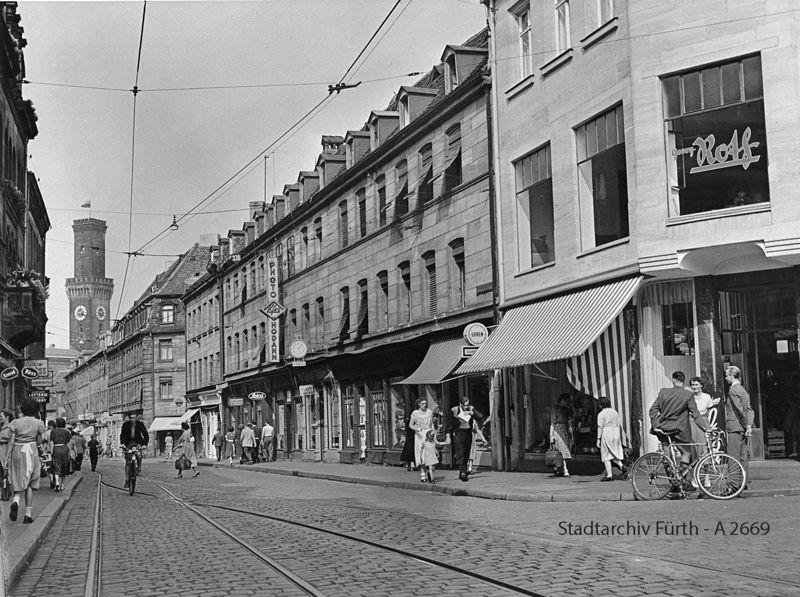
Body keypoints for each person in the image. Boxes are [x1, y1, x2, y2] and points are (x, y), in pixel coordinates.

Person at [649, 371, 709, 490]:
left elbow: (653, 410)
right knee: (686, 453)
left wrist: (655, 425)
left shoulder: (663, 392)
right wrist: (706, 428)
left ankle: (674, 483)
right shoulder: (687, 395)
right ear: (683, 381)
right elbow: (696, 414)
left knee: (667, 455)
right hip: (679, 429)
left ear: (673, 380)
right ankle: (681, 480)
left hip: (663, 428)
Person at [7, 399, 46, 523]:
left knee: (18, 478)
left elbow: (11, 441)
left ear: (22, 409)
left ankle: (16, 501)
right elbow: (39, 441)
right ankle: (28, 515)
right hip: (31, 451)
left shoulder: (15, 422)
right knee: (30, 482)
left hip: (17, 451)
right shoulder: (38, 423)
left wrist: (7, 457)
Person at [724, 365, 754, 482]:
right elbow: (749, 409)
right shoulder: (742, 390)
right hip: (743, 427)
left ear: (732, 375)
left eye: (727, 376)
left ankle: (734, 484)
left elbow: (739, 410)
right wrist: (749, 425)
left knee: (733, 456)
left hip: (735, 427)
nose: (726, 378)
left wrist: (746, 425)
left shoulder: (733, 391)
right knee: (743, 456)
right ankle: (743, 481)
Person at [449, 396, 483, 482]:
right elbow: (449, 423)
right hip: (458, 433)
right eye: (464, 405)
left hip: (468, 433)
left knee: (467, 452)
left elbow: (480, 416)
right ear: (460, 404)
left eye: (467, 405)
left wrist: (472, 413)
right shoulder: (454, 410)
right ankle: (463, 472)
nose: (465, 407)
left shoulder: (471, 408)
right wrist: (447, 435)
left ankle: (462, 471)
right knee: (460, 452)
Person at [596, 396, 628, 481]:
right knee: (613, 453)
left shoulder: (601, 414)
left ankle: (609, 475)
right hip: (616, 433)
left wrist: (598, 439)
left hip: (607, 433)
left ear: (600, 405)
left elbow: (600, 427)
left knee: (605, 455)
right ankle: (621, 466)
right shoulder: (615, 412)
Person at [409, 398, 438, 483]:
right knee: (421, 455)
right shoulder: (415, 413)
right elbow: (410, 424)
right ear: (418, 404)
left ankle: (430, 472)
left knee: (429, 454)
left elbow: (431, 423)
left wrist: (433, 432)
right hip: (420, 435)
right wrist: (416, 429)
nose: (424, 405)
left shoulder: (429, 412)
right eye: (422, 403)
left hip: (428, 435)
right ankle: (423, 473)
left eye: (425, 403)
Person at [689, 376, 718, 460]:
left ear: (701, 385)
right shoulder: (689, 397)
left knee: (705, 444)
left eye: (696, 384)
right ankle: (695, 466)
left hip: (704, 420)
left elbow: (708, 410)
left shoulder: (706, 396)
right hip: (692, 421)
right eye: (692, 385)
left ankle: (706, 466)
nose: (694, 387)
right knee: (694, 444)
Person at [119, 413, 150, 488]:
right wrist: (122, 444)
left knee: (139, 455)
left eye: (134, 418)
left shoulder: (140, 424)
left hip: (137, 442)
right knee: (128, 461)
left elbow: (145, 434)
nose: (132, 419)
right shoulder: (125, 425)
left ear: (136, 418)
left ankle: (139, 469)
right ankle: (127, 480)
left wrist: (144, 444)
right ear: (129, 418)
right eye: (131, 418)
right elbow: (122, 435)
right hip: (128, 443)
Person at [549, 394, 574, 477]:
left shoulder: (567, 410)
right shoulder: (555, 409)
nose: (567, 403)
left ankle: (558, 468)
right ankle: (565, 469)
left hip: (565, 430)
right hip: (558, 430)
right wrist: (551, 435)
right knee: (562, 451)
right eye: (566, 401)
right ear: (562, 400)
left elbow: (572, 417)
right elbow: (552, 423)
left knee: (563, 450)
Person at [49, 418, 71, 492]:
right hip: (64, 448)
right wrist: (69, 452)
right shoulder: (67, 432)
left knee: (56, 465)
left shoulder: (53, 431)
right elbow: (68, 443)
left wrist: (51, 451)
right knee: (64, 466)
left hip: (56, 448)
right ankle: (62, 484)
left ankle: (57, 482)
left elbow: (51, 442)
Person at [0, 409, 15, 500]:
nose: (0, 418)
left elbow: (11, 442)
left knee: (6, 475)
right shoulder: (1, 428)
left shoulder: (10, 428)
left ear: (7, 417)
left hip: (5, 455)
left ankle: (6, 493)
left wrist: (7, 457)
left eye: (1, 416)